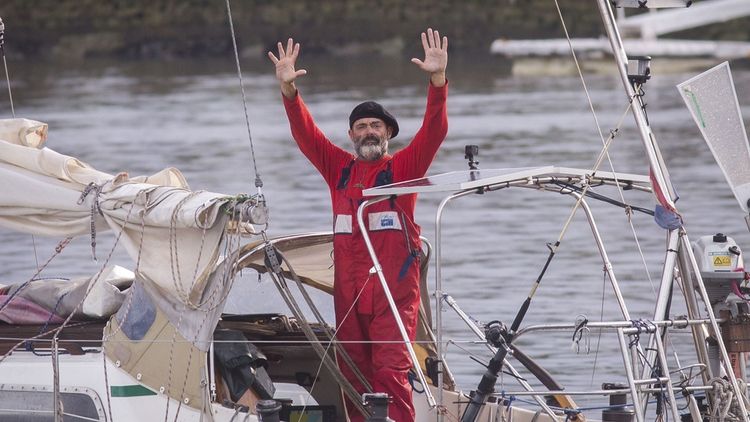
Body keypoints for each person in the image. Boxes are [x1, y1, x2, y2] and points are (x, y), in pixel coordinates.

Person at [268, 28, 448, 422]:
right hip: (348, 298)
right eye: (362, 126)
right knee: (351, 377)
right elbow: (306, 136)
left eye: (376, 126)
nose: (369, 131)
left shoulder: (403, 170)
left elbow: (434, 132)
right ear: (351, 135)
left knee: (389, 375)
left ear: (388, 135)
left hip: (393, 297)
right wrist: (289, 92)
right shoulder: (339, 170)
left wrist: (437, 83)